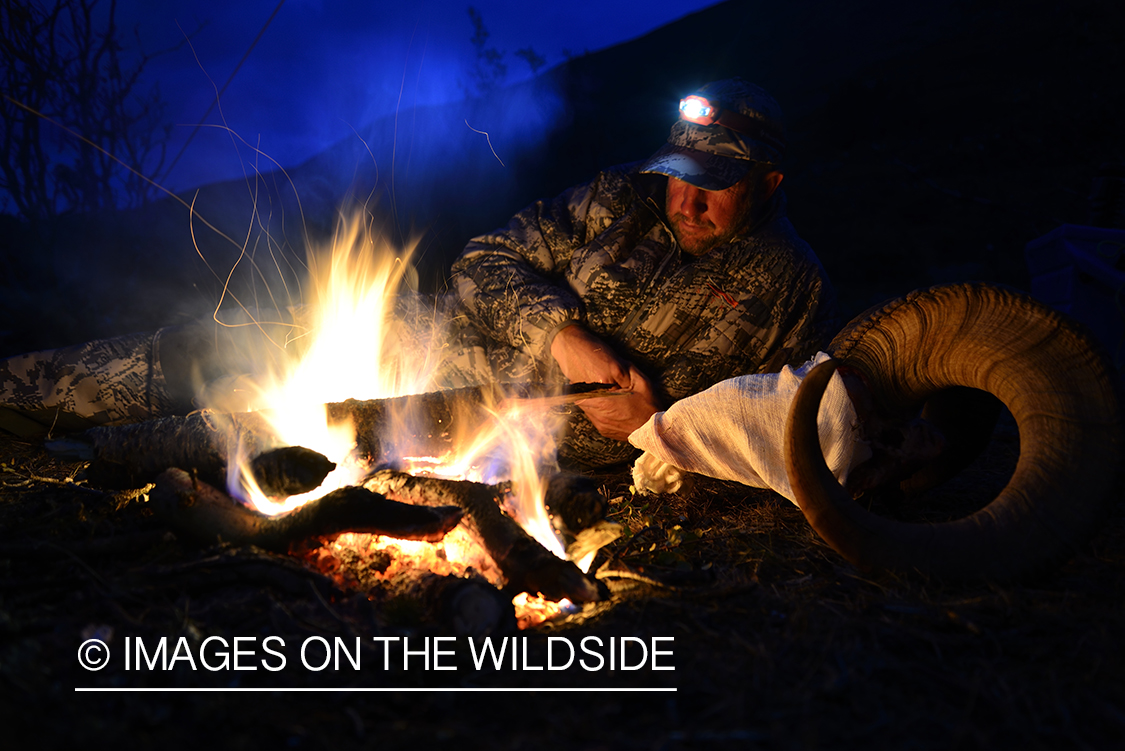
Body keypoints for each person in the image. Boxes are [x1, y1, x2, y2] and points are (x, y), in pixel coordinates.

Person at [443, 78, 837, 468]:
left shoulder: (795, 288)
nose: (689, 204)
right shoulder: (622, 194)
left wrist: (661, 429)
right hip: (453, 393)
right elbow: (482, 260)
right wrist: (561, 336)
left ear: (767, 185)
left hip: (551, 472)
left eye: (717, 184)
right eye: (680, 173)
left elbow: (783, 440)